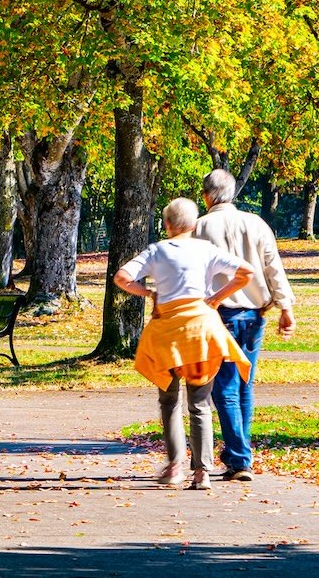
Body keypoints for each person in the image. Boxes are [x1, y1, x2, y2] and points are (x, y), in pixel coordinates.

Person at [115, 197, 256, 490]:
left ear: (167, 224)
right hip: (200, 331)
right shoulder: (206, 249)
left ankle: (174, 465)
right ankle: (202, 472)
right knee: (200, 403)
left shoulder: (156, 251)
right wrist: (216, 298)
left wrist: (149, 294)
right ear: (194, 224)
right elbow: (246, 273)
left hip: (167, 332)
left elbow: (122, 277)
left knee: (169, 401)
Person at [194, 167, 297, 481]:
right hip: (254, 314)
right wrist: (286, 306)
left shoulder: (199, 228)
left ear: (206, 196)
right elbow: (273, 268)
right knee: (244, 384)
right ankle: (240, 453)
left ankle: (240, 459)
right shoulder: (256, 224)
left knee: (224, 387)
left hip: (219, 314)